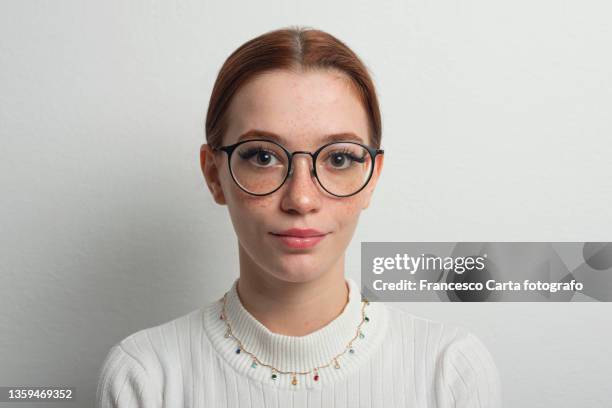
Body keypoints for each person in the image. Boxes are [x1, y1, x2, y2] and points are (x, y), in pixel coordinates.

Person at [96, 25, 502, 407]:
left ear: (372, 178)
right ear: (213, 175)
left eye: (339, 158)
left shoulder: (449, 370)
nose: (302, 198)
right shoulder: (146, 375)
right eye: (263, 156)